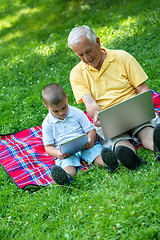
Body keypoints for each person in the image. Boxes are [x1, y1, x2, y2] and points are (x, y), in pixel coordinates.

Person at [68, 25, 160, 171]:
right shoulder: (76, 74)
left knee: (146, 129)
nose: (86, 58)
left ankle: (157, 146)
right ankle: (129, 157)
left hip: (133, 109)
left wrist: (143, 104)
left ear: (97, 42)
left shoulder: (122, 57)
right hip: (108, 118)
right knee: (118, 140)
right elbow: (90, 103)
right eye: (80, 55)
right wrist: (96, 115)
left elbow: (142, 88)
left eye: (88, 51)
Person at [42, 83, 117, 186]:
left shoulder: (76, 113)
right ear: (46, 107)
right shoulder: (47, 123)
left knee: (95, 153)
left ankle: (110, 163)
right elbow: (48, 147)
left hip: (84, 145)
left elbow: (91, 130)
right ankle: (66, 177)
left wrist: (91, 141)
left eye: (64, 108)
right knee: (68, 164)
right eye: (55, 111)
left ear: (67, 98)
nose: (60, 113)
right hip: (66, 152)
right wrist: (58, 154)